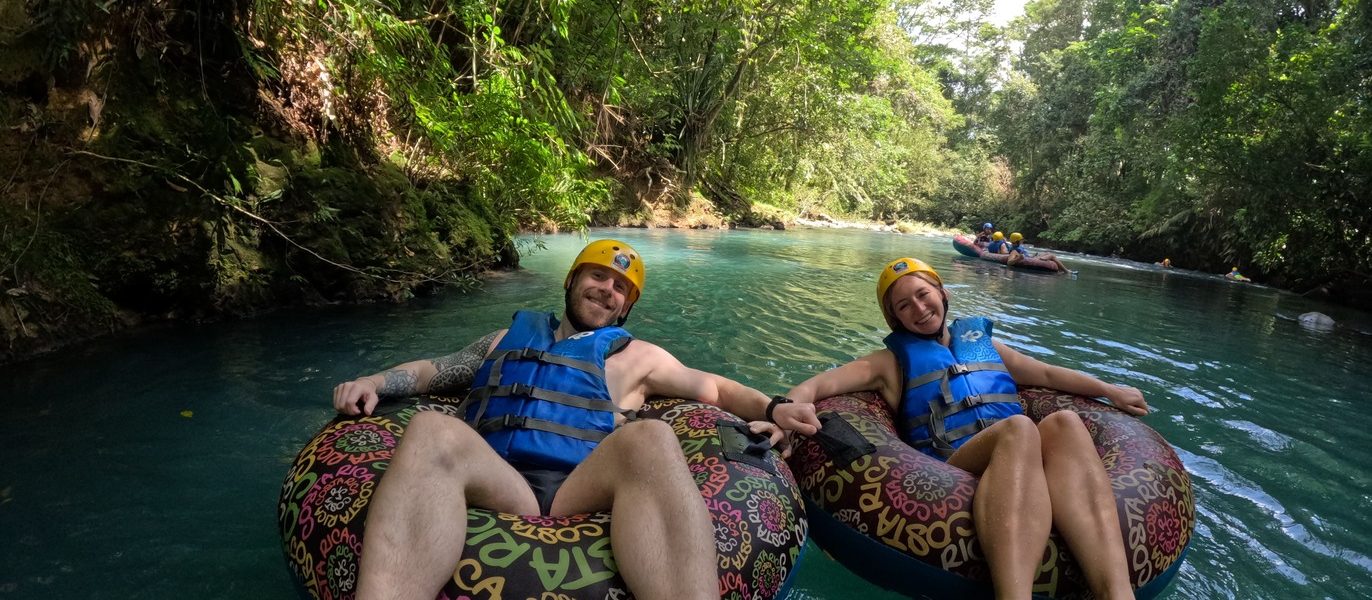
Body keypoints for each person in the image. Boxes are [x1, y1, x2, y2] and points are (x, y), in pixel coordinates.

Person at [331, 239, 822, 600]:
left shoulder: (638, 358)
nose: (607, 290)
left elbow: (714, 388)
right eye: (598, 276)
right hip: (497, 479)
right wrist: (374, 381)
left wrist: (774, 407)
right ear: (571, 280)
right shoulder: (505, 337)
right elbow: (433, 372)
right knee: (430, 429)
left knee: (650, 436)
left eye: (621, 288)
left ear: (627, 306)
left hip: (578, 486)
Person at [780, 258, 1148, 600]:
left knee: (1065, 422)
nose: (920, 309)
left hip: (1019, 459)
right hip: (952, 464)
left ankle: (1116, 592)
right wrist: (785, 408)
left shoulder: (985, 347)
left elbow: (1049, 374)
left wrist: (1109, 390)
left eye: (923, 294)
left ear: (943, 293)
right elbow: (819, 385)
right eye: (904, 305)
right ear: (895, 319)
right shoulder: (888, 364)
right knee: (1019, 428)